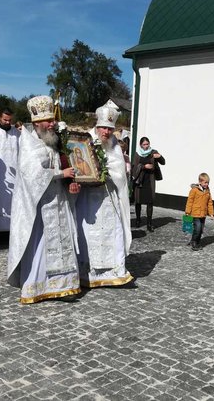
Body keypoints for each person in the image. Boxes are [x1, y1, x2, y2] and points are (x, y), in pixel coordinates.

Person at [6, 95, 81, 304]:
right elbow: (31, 173)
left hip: (58, 198)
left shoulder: (53, 141)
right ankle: (37, 287)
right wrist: (60, 174)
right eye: (48, 121)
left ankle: (64, 285)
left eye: (52, 120)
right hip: (39, 204)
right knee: (41, 244)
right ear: (37, 123)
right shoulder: (28, 142)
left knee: (62, 239)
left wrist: (70, 180)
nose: (52, 123)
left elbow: (64, 163)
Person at [75, 100, 134, 288]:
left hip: (109, 198)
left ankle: (113, 272)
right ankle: (88, 273)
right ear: (97, 126)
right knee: (88, 232)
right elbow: (79, 165)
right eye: (103, 128)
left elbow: (119, 171)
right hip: (88, 200)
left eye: (109, 129)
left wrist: (109, 173)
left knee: (111, 232)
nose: (106, 133)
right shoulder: (85, 140)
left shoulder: (114, 144)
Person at [0, 108, 19, 242]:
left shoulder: (17, 134)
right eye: (4, 119)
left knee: (13, 203)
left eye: (9, 120)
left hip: (15, 174)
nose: (7, 122)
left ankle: (12, 232)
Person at [131, 136, 165, 232]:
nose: (146, 146)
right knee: (138, 202)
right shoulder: (138, 154)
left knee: (150, 202)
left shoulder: (153, 152)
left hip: (149, 180)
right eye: (144, 144)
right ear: (141, 145)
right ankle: (138, 220)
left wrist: (160, 156)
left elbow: (163, 162)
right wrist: (143, 166)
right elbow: (134, 168)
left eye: (147, 144)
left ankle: (149, 223)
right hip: (139, 181)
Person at [184, 172, 214, 251]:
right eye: (205, 182)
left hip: (203, 214)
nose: (206, 184)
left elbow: (210, 202)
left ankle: (196, 241)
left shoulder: (207, 191)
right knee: (197, 228)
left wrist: (211, 213)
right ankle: (194, 243)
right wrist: (187, 211)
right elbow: (189, 201)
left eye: (208, 183)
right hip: (195, 213)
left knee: (201, 230)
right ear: (200, 182)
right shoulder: (194, 190)